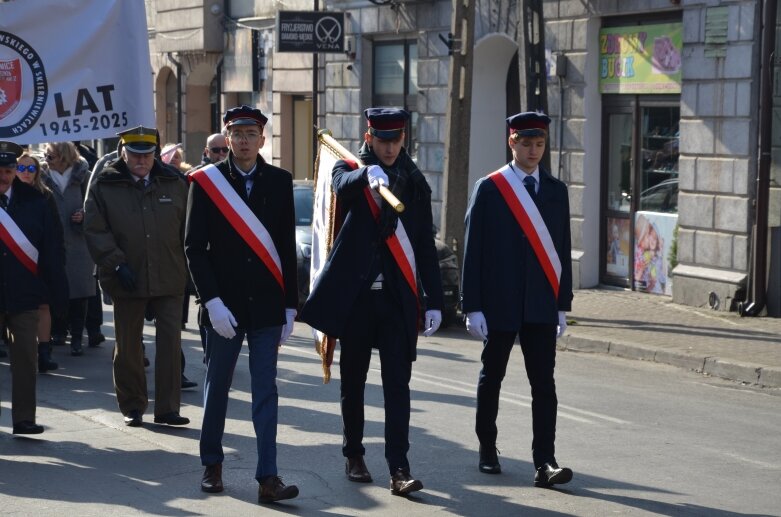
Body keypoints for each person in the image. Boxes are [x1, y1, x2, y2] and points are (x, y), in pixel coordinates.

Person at [301, 107, 444, 496]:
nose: (390, 147)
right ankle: (354, 454)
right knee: (355, 382)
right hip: (359, 299)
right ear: (369, 137)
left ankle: (399, 467)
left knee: (398, 385)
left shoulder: (413, 183)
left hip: (397, 299)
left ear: (403, 139)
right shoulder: (352, 169)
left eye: (396, 140)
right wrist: (365, 173)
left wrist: (434, 300)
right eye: (382, 140)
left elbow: (424, 247)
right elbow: (339, 182)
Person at [185, 106, 299, 503]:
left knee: (266, 391)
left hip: (267, 306)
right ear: (227, 139)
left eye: (252, 133)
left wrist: (290, 305)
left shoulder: (280, 181)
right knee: (218, 387)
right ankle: (212, 464)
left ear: (263, 138)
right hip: (224, 307)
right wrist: (211, 301)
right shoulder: (207, 183)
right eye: (238, 134)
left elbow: (286, 246)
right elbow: (194, 249)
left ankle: (268, 477)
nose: (245, 140)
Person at [461, 111, 573, 487]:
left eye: (539, 144)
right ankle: (488, 449)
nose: (533, 151)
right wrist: (471, 304)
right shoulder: (491, 188)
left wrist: (562, 303)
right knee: (492, 376)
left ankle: (546, 461)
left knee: (544, 384)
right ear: (512, 143)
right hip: (500, 302)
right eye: (526, 143)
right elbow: (473, 249)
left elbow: (562, 247)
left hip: (540, 303)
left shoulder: (556, 191)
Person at [84, 126, 190, 428]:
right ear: (122, 152)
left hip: (169, 274)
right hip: (125, 275)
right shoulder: (105, 183)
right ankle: (133, 405)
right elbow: (94, 228)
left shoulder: (174, 181)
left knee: (170, 344)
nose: (141, 161)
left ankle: (168, 408)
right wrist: (116, 264)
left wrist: (190, 269)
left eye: (147, 154)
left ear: (155, 154)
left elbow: (187, 227)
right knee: (128, 346)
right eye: (134, 154)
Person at [0, 141, 67, 434]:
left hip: (25, 291)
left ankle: (24, 419)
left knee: (26, 359)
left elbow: (52, 247)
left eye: (9, 169)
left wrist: (54, 291)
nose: (4, 175)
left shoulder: (36, 200)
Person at [42, 142, 96, 356]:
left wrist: (84, 214)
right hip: (53, 240)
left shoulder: (84, 175)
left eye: (51, 156)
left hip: (79, 241)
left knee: (80, 291)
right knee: (54, 285)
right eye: (46, 155)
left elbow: (93, 203)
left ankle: (76, 337)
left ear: (64, 156)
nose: (47, 159)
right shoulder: (43, 175)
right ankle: (58, 331)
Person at [15, 153, 63, 372]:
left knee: (43, 306)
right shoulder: (8, 195)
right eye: (21, 168)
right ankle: (22, 353)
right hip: (13, 262)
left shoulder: (46, 196)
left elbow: (55, 231)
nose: (26, 173)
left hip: (40, 261)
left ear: (37, 172)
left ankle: (44, 352)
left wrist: (57, 260)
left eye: (31, 169)